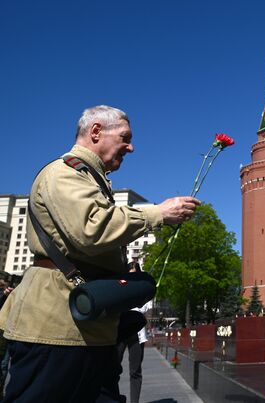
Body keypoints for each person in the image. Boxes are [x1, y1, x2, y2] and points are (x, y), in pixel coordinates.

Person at [0, 105, 201, 402]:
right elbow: (90, 229)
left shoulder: (90, 179)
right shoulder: (63, 173)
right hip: (56, 329)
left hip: (87, 328)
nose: (131, 147)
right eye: (125, 137)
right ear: (96, 132)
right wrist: (157, 214)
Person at [117, 262, 152, 403]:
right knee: (113, 368)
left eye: (134, 274)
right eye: (129, 274)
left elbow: (146, 308)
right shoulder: (119, 286)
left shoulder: (142, 288)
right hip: (121, 331)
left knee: (136, 371)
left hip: (137, 334)